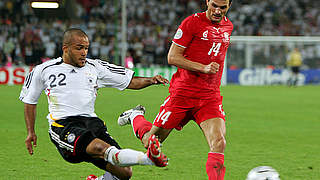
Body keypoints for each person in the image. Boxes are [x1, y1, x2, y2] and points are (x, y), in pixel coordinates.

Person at [19, 28, 169, 180]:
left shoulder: (95, 67)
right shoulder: (43, 70)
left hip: (92, 123)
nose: (84, 52)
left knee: (124, 173)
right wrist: (30, 132)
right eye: (79, 48)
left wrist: (151, 80)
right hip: (64, 125)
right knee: (100, 148)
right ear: (66, 48)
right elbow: (30, 101)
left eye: (86, 48)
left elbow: (128, 81)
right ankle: (149, 159)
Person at [117, 0, 233, 179]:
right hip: (183, 94)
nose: (217, 11)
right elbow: (172, 57)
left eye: (222, 7)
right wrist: (202, 67)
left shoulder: (228, 26)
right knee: (151, 142)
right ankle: (135, 116)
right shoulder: (192, 23)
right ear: (207, 2)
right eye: (214, 5)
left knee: (219, 142)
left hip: (209, 96)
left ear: (229, 7)